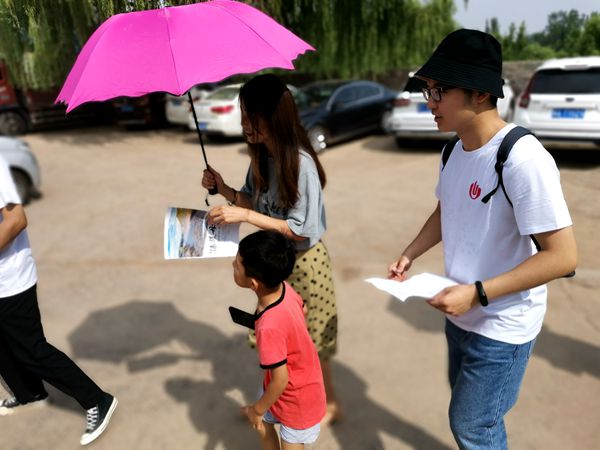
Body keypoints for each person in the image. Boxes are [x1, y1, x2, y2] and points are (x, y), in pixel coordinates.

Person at [388, 29, 577, 449]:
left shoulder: (522, 157)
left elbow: (563, 257)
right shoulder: (453, 151)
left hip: (503, 323)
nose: (429, 102)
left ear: (479, 93)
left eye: (438, 90)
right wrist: (410, 253)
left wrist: (478, 293)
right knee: (468, 417)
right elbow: (447, 209)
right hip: (460, 315)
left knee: (473, 426)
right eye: (427, 90)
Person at [202, 73, 341, 423]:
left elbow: (299, 229)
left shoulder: (301, 164)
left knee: (311, 340)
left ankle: (328, 402)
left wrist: (245, 215)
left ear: (274, 117)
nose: (245, 124)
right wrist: (223, 189)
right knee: (275, 336)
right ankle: (274, 401)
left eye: (252, 116)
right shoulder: (261, 158)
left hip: (305, 263)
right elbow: (254, 201)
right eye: (243, 116)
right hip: (272, 264)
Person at [0, 155, 117, 446]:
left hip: (10, 279)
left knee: (31, 350)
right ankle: (29, 393)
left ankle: (97, 400)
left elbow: (16, 219)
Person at [233, 230, 326, 449]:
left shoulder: (269, 327)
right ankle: (258, 414)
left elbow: (280, 380)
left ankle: (256, 412)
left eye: (237, 265)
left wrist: (257, 410)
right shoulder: (284, 287)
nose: (233, 264)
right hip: (298, 380)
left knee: (266, 422)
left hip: (298, 401)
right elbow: (303, 309)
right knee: (262, 421)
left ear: (254, 283)